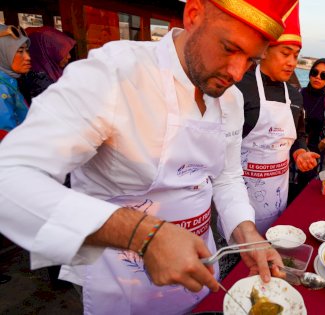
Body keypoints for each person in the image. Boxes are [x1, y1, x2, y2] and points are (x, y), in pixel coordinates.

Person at [0, 0, 298, 313]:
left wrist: (245, 230)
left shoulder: (232, 100)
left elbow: (226, 175)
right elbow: (10, 178)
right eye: (228, 48)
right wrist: (143, 234)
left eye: (251, 60)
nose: (238, 73)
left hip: (200, 263)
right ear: (193, 15)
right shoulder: (115, 74)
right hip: (120, 276)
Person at [220, 3, 318, 234]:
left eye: (296, 55)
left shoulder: (294, 94)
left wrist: (300, 153)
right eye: (285, 54)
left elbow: (299, 134)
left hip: (277, 192)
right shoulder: (239, 87)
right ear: (265, 51)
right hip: (240, 195)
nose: (292, 62)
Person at [292, 58, 325, 197]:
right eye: (315, 72)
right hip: (290, 152)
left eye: (324, 75)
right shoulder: (295, 96)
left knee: (304, 196)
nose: (318, 77)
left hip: (314, 156)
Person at [20, 26, 76, 104]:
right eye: (62, 51)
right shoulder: (39, 81)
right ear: (48, 52)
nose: (69, 56)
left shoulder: (53, 72)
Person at [0, 24, 30, 141]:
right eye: (20, 51)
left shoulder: (9, 81)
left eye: (26, 51)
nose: (27, 57)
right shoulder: (2, 87)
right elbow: (6, 135)